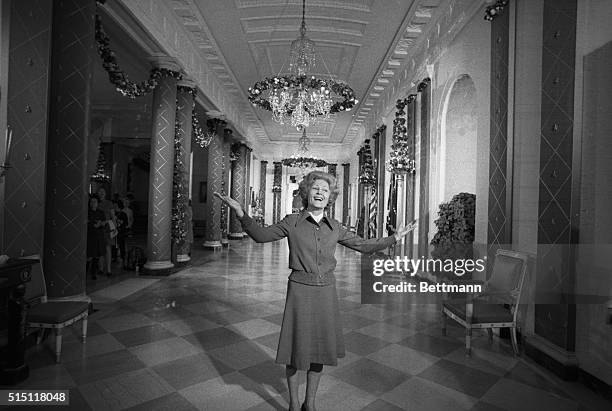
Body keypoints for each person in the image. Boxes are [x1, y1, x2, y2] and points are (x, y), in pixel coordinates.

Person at [214, 171, 414, 411]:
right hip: (299, 290)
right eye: (315, 188)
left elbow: (364, 245)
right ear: (306, 193)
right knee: (294, 351)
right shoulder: (291, 221)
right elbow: (260, 236)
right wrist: (241, 213)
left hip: (326, 292)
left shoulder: (335, 227)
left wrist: (393, 238)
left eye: (325, 190)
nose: (320, 192)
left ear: (330, 198)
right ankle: (294, 403)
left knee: (318, 350)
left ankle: (310, 403)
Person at [87, 196, 107, 280]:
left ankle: (93, 273)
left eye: (95, 201)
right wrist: (94, 224)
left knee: (96, 256)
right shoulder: (87, 212)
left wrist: (100, 224)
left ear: (97, 203)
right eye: (92, 201)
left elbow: (104, 222)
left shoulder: (101, 212)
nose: (93, 203)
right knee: (89, 256)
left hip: (99, 235)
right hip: (90, 235)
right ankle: (86, 271)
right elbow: (87, 222)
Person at [96, 187, 115, 276]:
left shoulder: (109, 203)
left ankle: (109, 269)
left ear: (105, 193)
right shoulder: (96, 203)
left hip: (107, 227)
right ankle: (100, 268)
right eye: (100, 191)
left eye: (103, 191)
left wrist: (114, 228)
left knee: (107, 248)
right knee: (100, 248)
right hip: (98, 227)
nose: (101, 193)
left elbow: (113, 216)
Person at [114, 200, 129, 268]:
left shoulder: (123, 214)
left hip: (121, 232)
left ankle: (123, 259)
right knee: (114, 246)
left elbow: (126, 223)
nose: (114, 207)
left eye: (115, 205)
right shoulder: (113, 213)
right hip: (114, 232)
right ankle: (114, 258)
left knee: (121, 246)